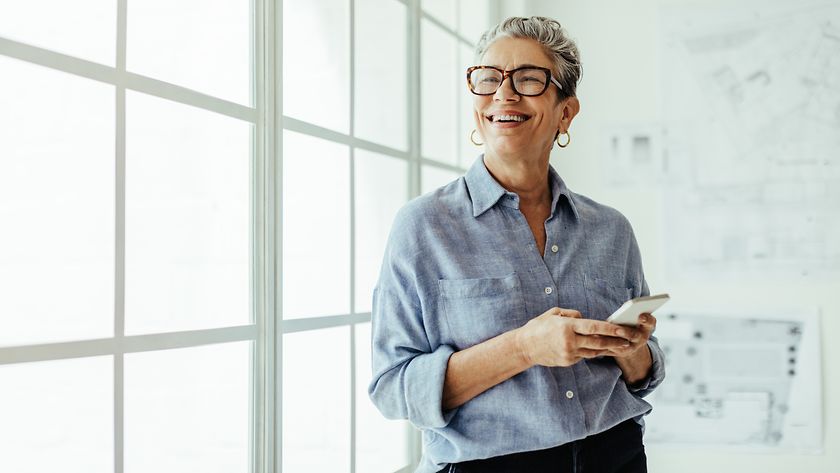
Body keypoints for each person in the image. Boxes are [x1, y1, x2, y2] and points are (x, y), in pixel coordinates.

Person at [369, 16, 665, 473]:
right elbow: (393, 389)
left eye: (528, 79)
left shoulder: (611, 230)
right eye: (489, 79)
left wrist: (630, 349)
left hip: (616, 455)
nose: (504, 94)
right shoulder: (423, 227)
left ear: (566, 112)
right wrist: (524, 348)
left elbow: (643, 375)